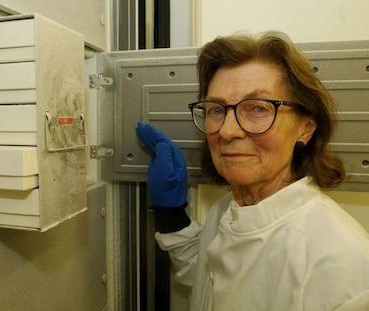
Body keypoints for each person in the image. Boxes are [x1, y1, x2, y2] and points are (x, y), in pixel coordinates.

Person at [136, 31, 369, 310]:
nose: (227, 130)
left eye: (258, 108)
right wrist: (170, 215)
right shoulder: (224, 213)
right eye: (216, 109)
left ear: (305, 128)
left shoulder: (344, 263)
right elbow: (210, 280)